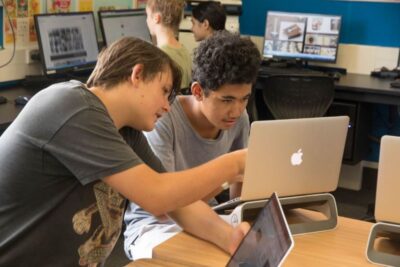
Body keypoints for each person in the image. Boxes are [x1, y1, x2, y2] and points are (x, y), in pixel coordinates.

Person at [0, 37, 250, 266]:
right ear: (137, 74)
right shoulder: (72, 106)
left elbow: (177, 205)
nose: (166, 106)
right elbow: (157, 196)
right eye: (164, 91)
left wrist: (230, 237)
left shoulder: (126, 132)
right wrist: (235, 165)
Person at [124, 32, 262, 260]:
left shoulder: (240, 118)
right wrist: (228, 174)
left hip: (210, 216)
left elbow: (236, 200)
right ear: (198, 91)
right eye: (227, 100)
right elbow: (164, 206)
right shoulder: (163, 119)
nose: (237, 111)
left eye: (244, 99)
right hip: (154, 224)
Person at [146, 0, 192, 91]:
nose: (146, 20)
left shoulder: (157, 57)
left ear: (156, 18)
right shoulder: (184, 50)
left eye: (147, 15)